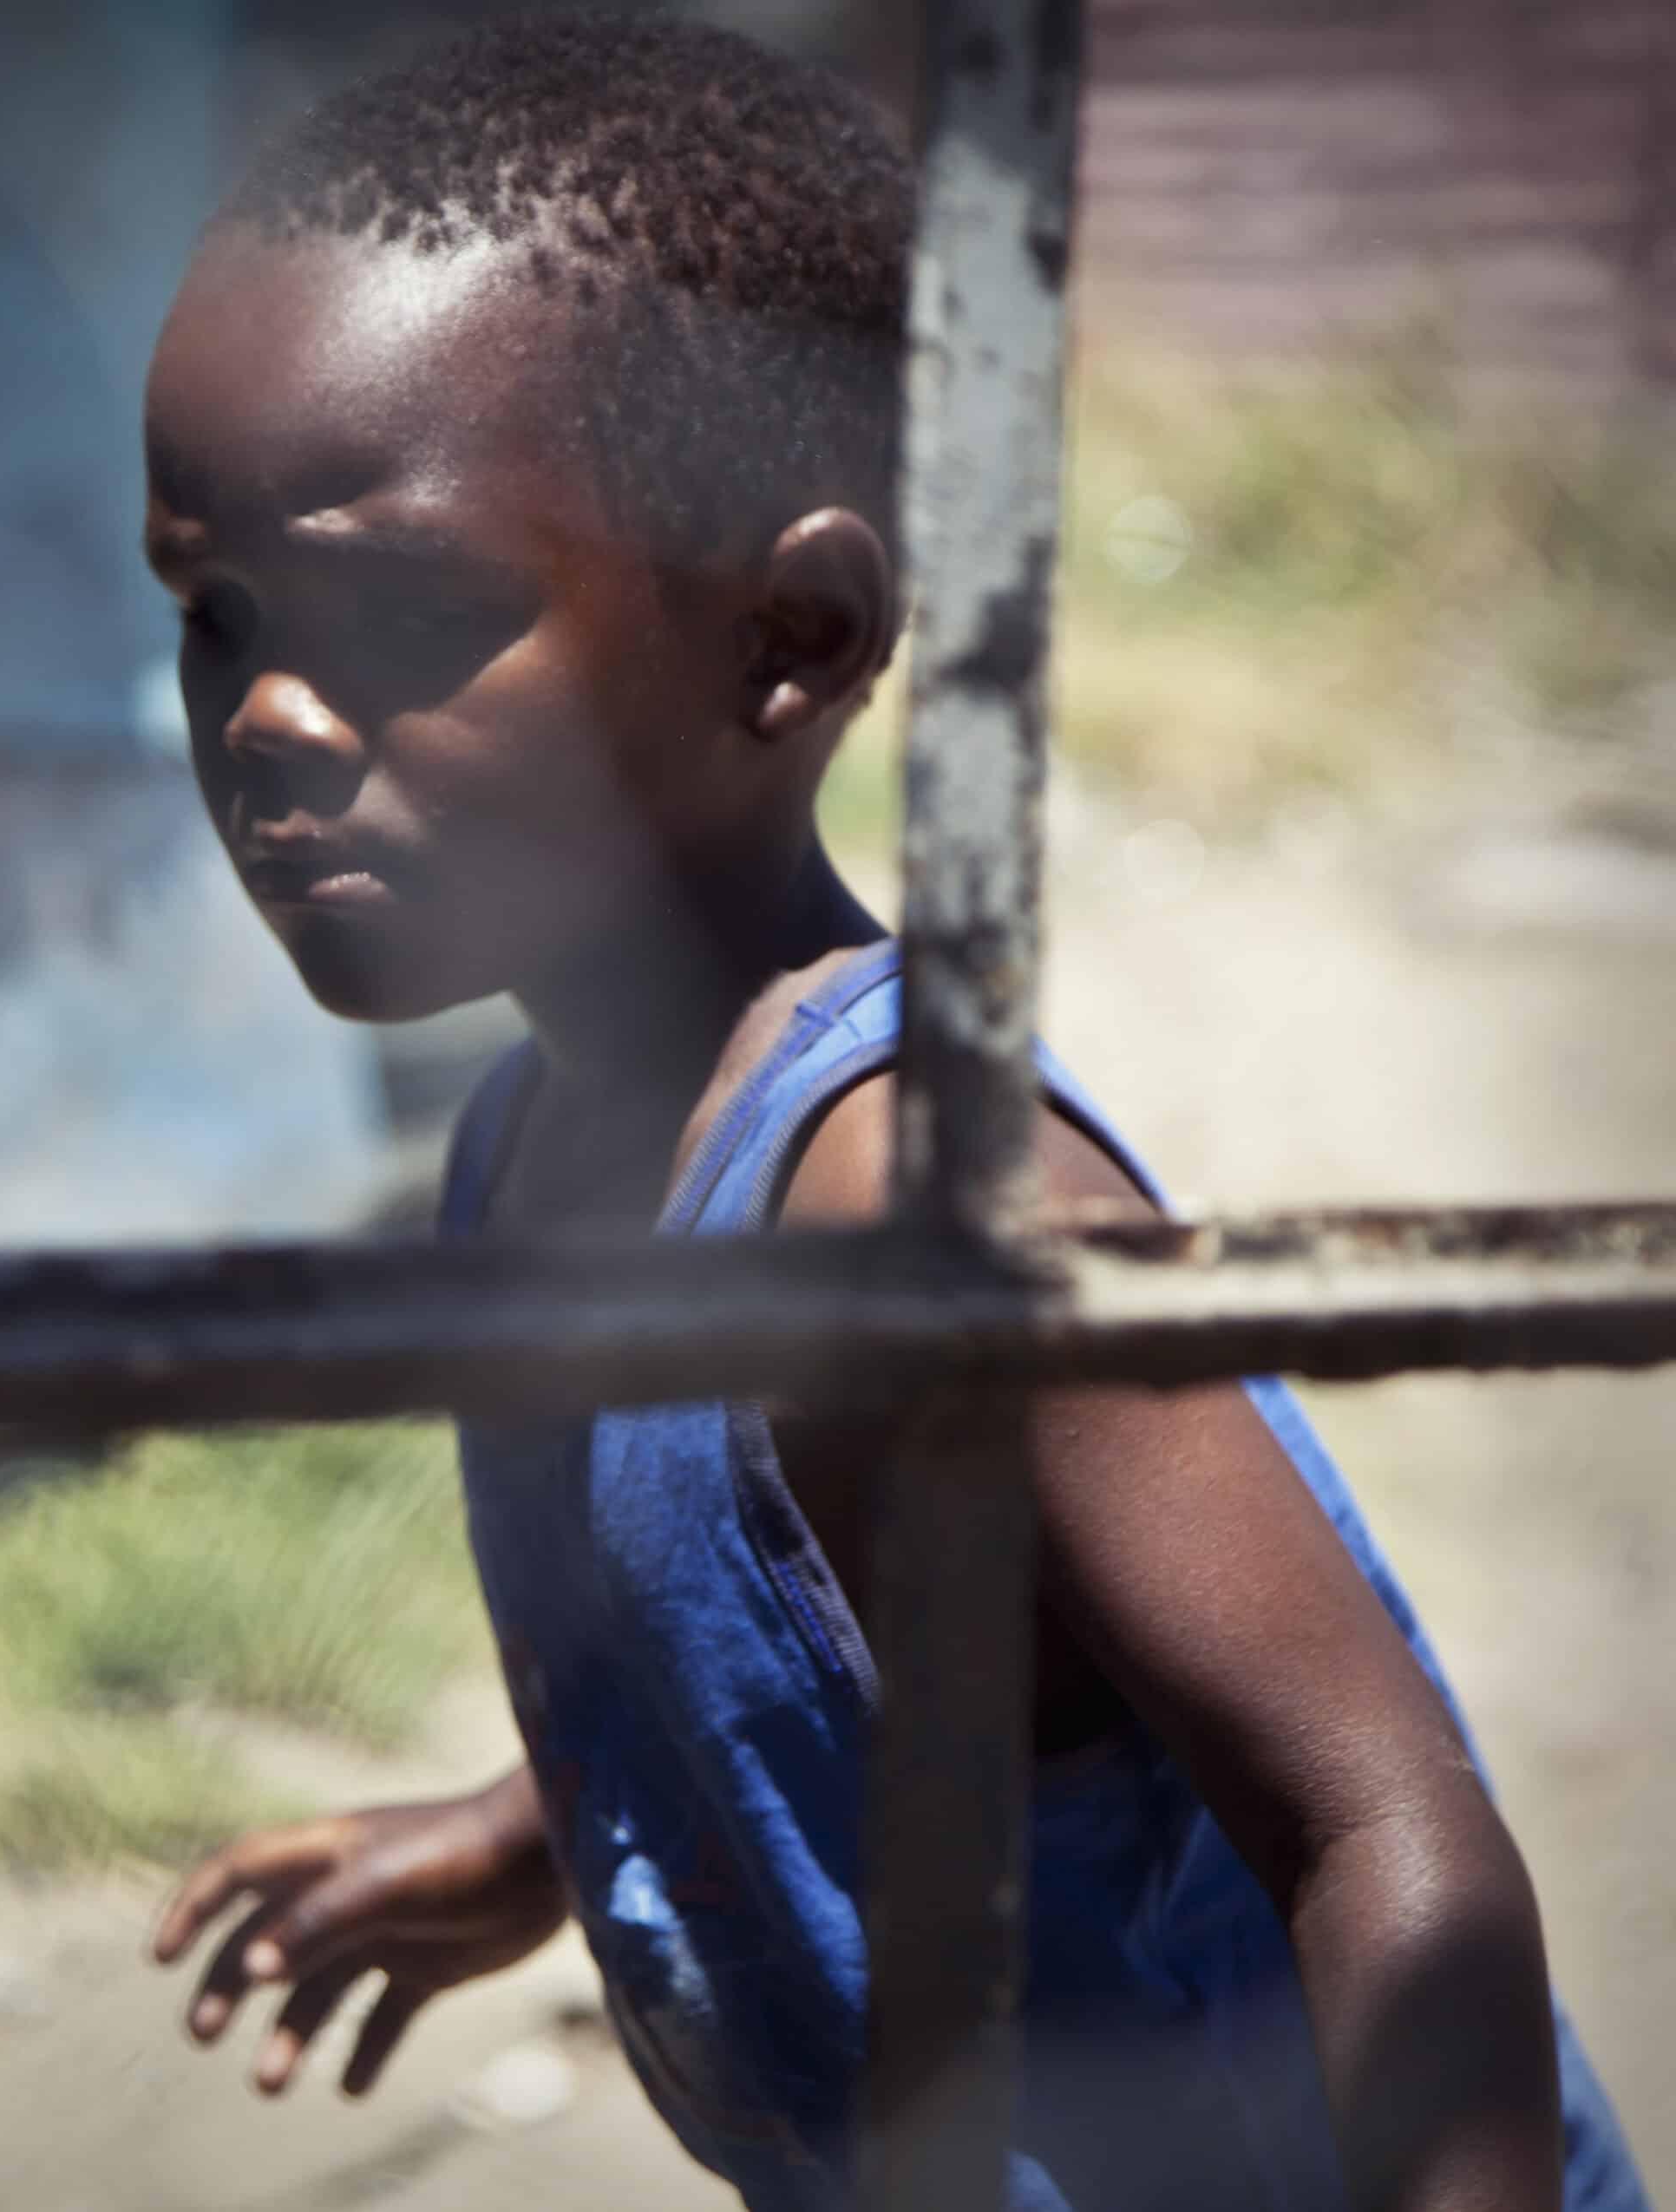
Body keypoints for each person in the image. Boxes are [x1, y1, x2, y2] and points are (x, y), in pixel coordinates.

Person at [137, 15, 1650, 2208]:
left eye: (399, 612)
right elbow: (769, 1650)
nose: (265, 718)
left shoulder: (908, 1196)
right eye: (214, 616)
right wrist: (521, 1839)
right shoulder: (523, 1161)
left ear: (792, 635)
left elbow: (1377, 1828)